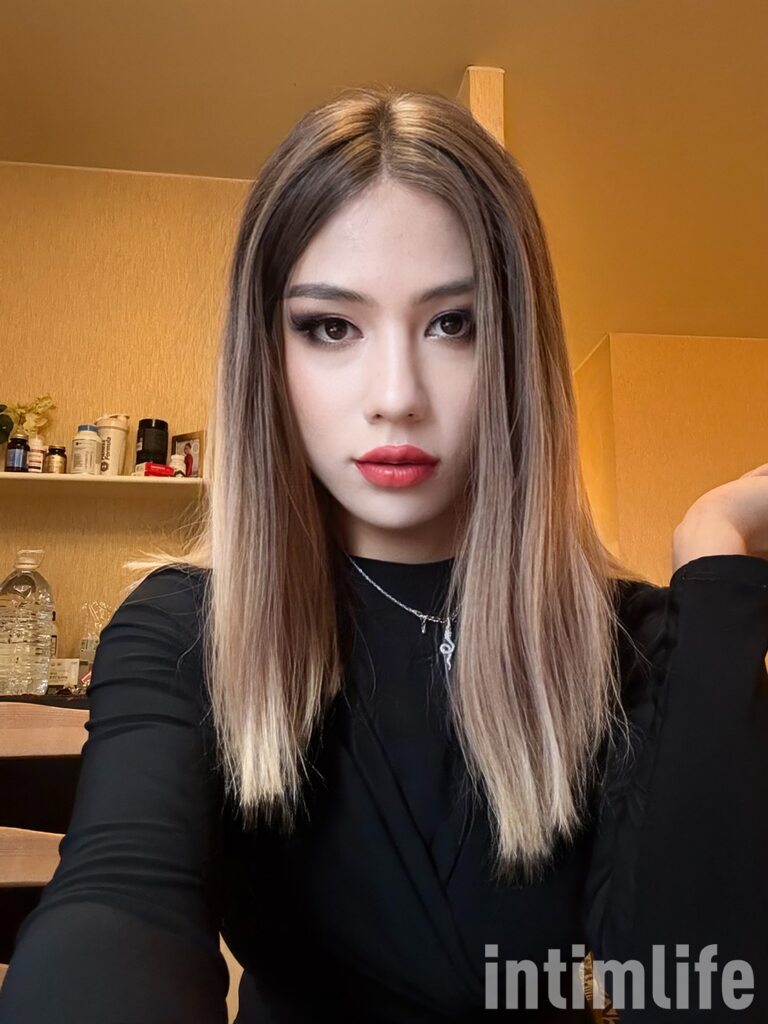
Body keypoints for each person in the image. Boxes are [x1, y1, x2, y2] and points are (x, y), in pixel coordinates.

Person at [1, 85, 767, 1023]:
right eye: (331, 327)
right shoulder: (186, 627)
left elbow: (700, 982)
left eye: (454, 323)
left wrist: (718, 566)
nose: (397, 395)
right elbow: (119, 901)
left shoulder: (633, 642)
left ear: (518, 351)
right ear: (268, 357)